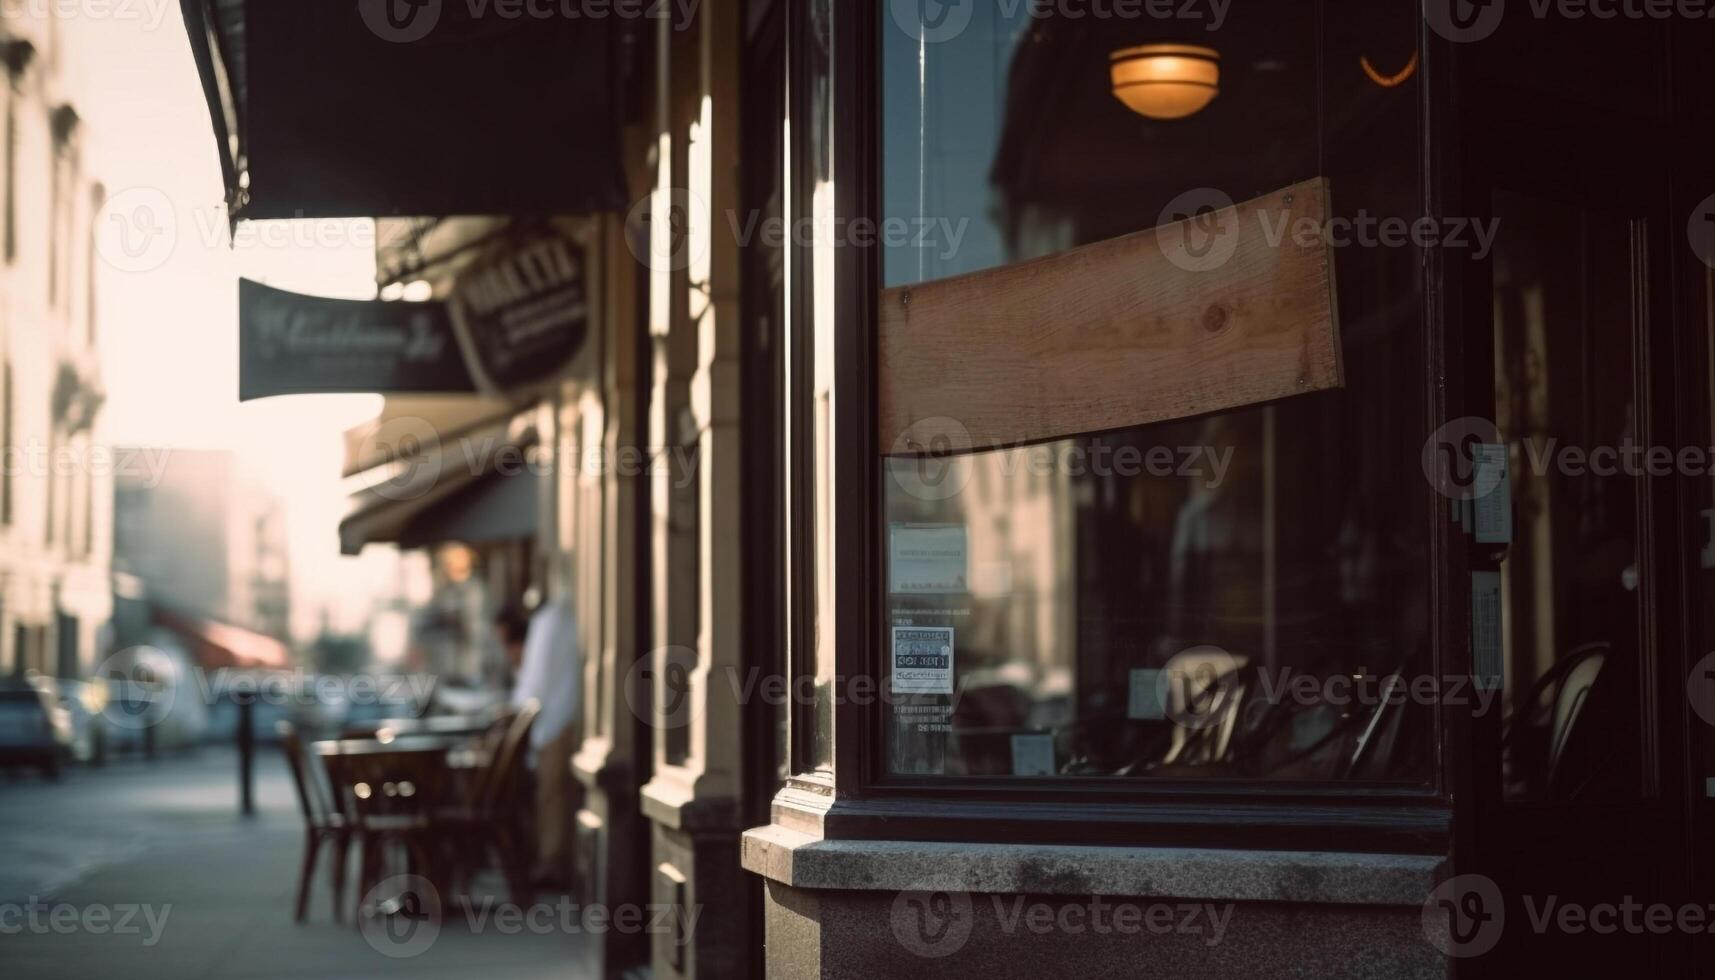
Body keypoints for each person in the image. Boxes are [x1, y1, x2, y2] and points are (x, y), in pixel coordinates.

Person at [509, 591, 582, 888]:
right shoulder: (554, 622)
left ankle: (553, 863)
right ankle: (553, 861)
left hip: (554, 722)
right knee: (553, 796)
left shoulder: (547, 626)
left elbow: (535, 684)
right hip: (559, 719)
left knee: (551, 796)